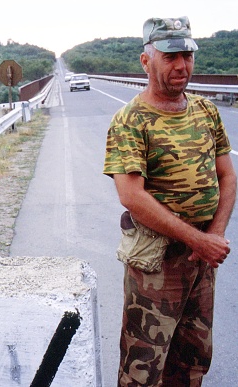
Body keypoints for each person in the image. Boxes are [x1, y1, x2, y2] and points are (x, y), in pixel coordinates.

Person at [103, 17, 236, 386]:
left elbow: (227, 175)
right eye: (170, 56)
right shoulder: (130, 120)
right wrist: (199, 240)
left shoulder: (206, 110)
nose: (181, 66)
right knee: (143, 368)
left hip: (201, 261)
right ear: (146, 62)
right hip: (156, 264)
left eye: (187, 56)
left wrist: (215, 235)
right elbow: (131, 195)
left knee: (193, 361)